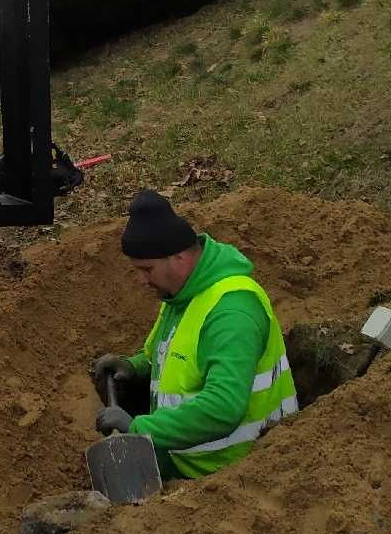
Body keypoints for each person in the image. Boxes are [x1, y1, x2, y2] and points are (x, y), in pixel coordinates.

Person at [91, 190, 298, 479]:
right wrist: (133, 367)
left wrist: (138, 428)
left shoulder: (232, 311)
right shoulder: (180, 295)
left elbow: (224, 407)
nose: (141, 280)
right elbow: (167, 359)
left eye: (147, 269)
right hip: (187, 456)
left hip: (234, 471)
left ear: (179, 257)